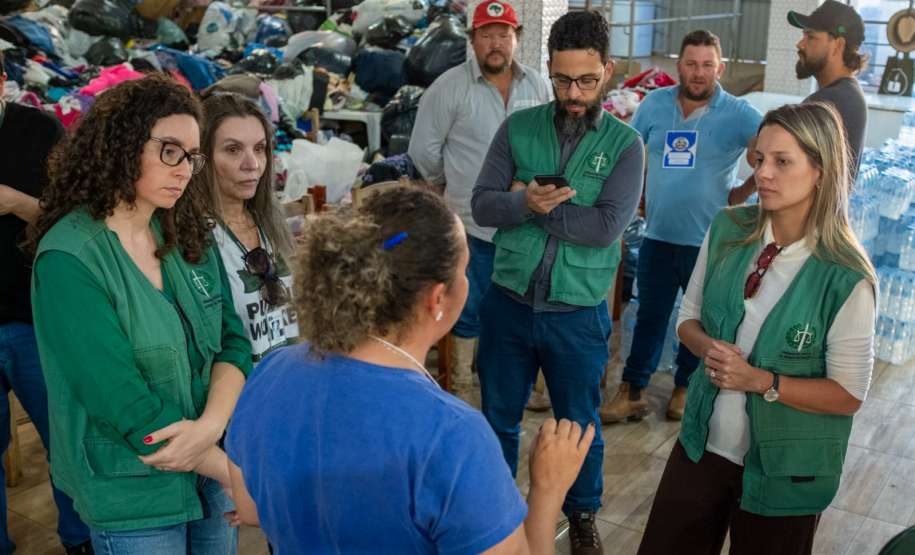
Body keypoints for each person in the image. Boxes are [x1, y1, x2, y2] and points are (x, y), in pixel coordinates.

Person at [225, 186, 596, 554]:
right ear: (437, 298)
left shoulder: (271, 373)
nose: (468, 281)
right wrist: (548, 489)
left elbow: (251, 509)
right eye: (464, 269)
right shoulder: (453, 436)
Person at [26, 74, 253, 554]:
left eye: (192, 156)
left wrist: (212, 431)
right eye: (170, 150)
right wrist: (232, 472)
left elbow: (233, 341)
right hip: (133, 490)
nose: (186, 170)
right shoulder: (70, 257)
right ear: (121, 145)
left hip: (212, 467)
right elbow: (123, 405)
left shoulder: (188, 233)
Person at [637, 102, 876, 555]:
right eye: (759, 158)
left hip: (785, 469)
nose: (764, 173)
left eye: (782, 162)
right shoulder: (729, 228)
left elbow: (848, 394)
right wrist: (714, 351)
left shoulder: (844, 276)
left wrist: (761, 381)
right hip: (703, 445)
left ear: (821, 171)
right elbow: (688, 318)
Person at [472, 11, 644, 554]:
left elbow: (604, 229)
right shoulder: (518, 127)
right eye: (563, 79)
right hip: (508, 303)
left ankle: (583, 514)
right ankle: (494, 515)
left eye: (587, 80)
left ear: (608, 72)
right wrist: (519, 200)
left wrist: (525, 205)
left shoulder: (625, 144)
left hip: (578, 311)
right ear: (547, 68)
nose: (573, 93)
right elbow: (482, 205)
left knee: (579, 424)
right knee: (498, 416)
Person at [600, 30, 762, 424]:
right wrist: (634, 191)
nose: (699, 72)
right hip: (657, 237)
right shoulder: (655, 103)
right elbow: (630, 151)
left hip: (708, 242)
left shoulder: (738, 113)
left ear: (720, 68)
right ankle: (632, 390)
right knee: (649, 316)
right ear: (679, 66)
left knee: (698, 321)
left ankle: (684, 391)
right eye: (691, 63)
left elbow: (770, 152)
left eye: (708, 65)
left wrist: (743, 191)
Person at [409, 0, 550, 405]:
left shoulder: (536, 86)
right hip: (471, 226)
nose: (495, 44)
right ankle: (464, 393)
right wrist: (449, 186)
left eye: (503, 35)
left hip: (525, 225)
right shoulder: (448, 87)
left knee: (519, 311)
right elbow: (424, 154)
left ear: (516, 39)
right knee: (467, 311)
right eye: (486, 35)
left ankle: (513, 390)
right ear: (472, 40)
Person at [0, 49, 93, 555]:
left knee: (66, 442)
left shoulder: (39, 131)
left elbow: (76, 221)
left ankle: (81, 540)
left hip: (35, 319)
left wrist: (15, 202)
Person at [200, 94, 298, 364]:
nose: (252, 164)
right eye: (233, 150)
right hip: (242, 396)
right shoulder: (196, 236)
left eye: (259, 148)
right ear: (203, 156)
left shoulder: (269, 217)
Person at [790, 0, 868, 172]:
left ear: (837, 45)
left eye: (810, 37)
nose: (800, 44)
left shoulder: (828, 101)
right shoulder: (846, 93)